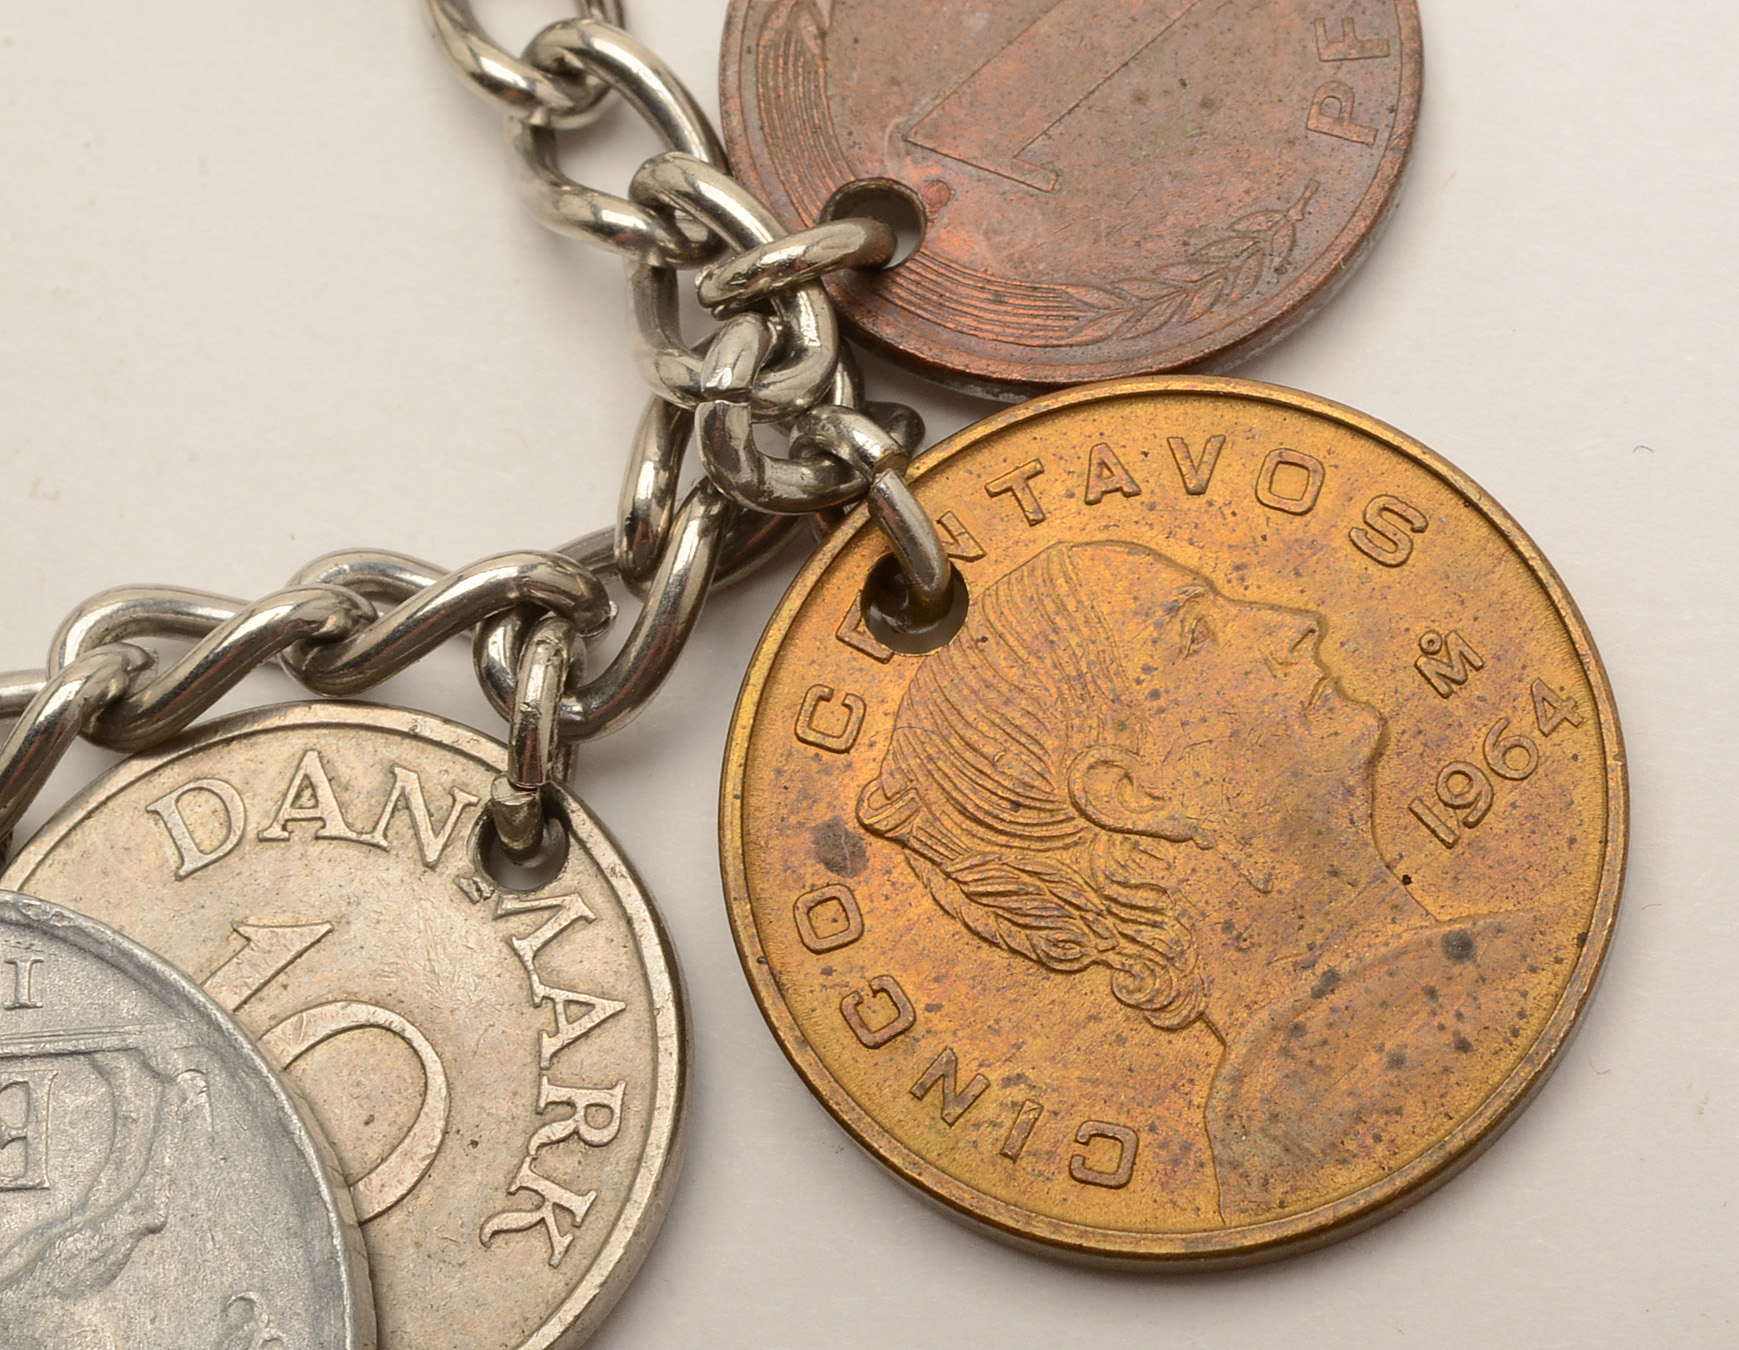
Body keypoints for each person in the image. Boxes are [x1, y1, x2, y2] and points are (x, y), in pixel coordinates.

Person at [858, 541, 1559, 1221]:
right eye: (1197, 631)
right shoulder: (1359, 1095)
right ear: (1131, 796)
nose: (1294, 626)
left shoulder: (1466, 993)